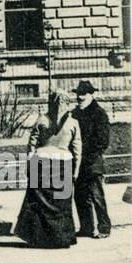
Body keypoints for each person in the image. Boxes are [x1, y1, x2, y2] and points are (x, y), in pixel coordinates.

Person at [13, 90, 81, 249]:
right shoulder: (73, 123)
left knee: (38, 203)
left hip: (41, 162)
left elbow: (31, 144)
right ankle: (61, 238)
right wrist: (76, 171)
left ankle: (38, 238)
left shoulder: (42, 119)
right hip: (63, 164)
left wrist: (29, 164)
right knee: (62, 204)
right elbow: (77, 150)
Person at [71, 79, 112, 238]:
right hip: (78, 163)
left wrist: (85, 154)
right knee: (80, 196)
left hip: (92, 162)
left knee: (96, 196)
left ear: (91, 95)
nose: (80, 97)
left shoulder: (99, 113)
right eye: (79, 94)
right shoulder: (74, 114)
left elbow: (102, 141)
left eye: (84, 94)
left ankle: (104, 228)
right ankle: (86, 227)